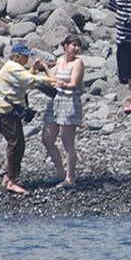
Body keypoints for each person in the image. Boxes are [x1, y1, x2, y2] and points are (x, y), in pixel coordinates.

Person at [0, 42, 52, 195]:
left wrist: (33, 69)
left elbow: (23, 81)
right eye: (25, 56)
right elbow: (29, 80)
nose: (27, 59)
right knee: (16, 145)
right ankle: (12, 181)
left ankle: (8, 177)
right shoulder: (12, 67)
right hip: (7, 113)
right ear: (18, 56)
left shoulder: (13, 67)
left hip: (8, 112)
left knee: (15, 144)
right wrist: (52, 80)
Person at [41, 34, 85, 188]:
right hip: (55, 101)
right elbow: (53, 78)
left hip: (70, 101)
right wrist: (45, 68)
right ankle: (60, 172)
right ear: (65, 46)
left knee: (67, 141)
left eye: (78, 45)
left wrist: (62, 85)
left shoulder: (78, 63)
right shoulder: (59, 60)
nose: (76, 48)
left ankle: (70, 177)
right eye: (73, 45)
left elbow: (74, 83)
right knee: (47, 138)